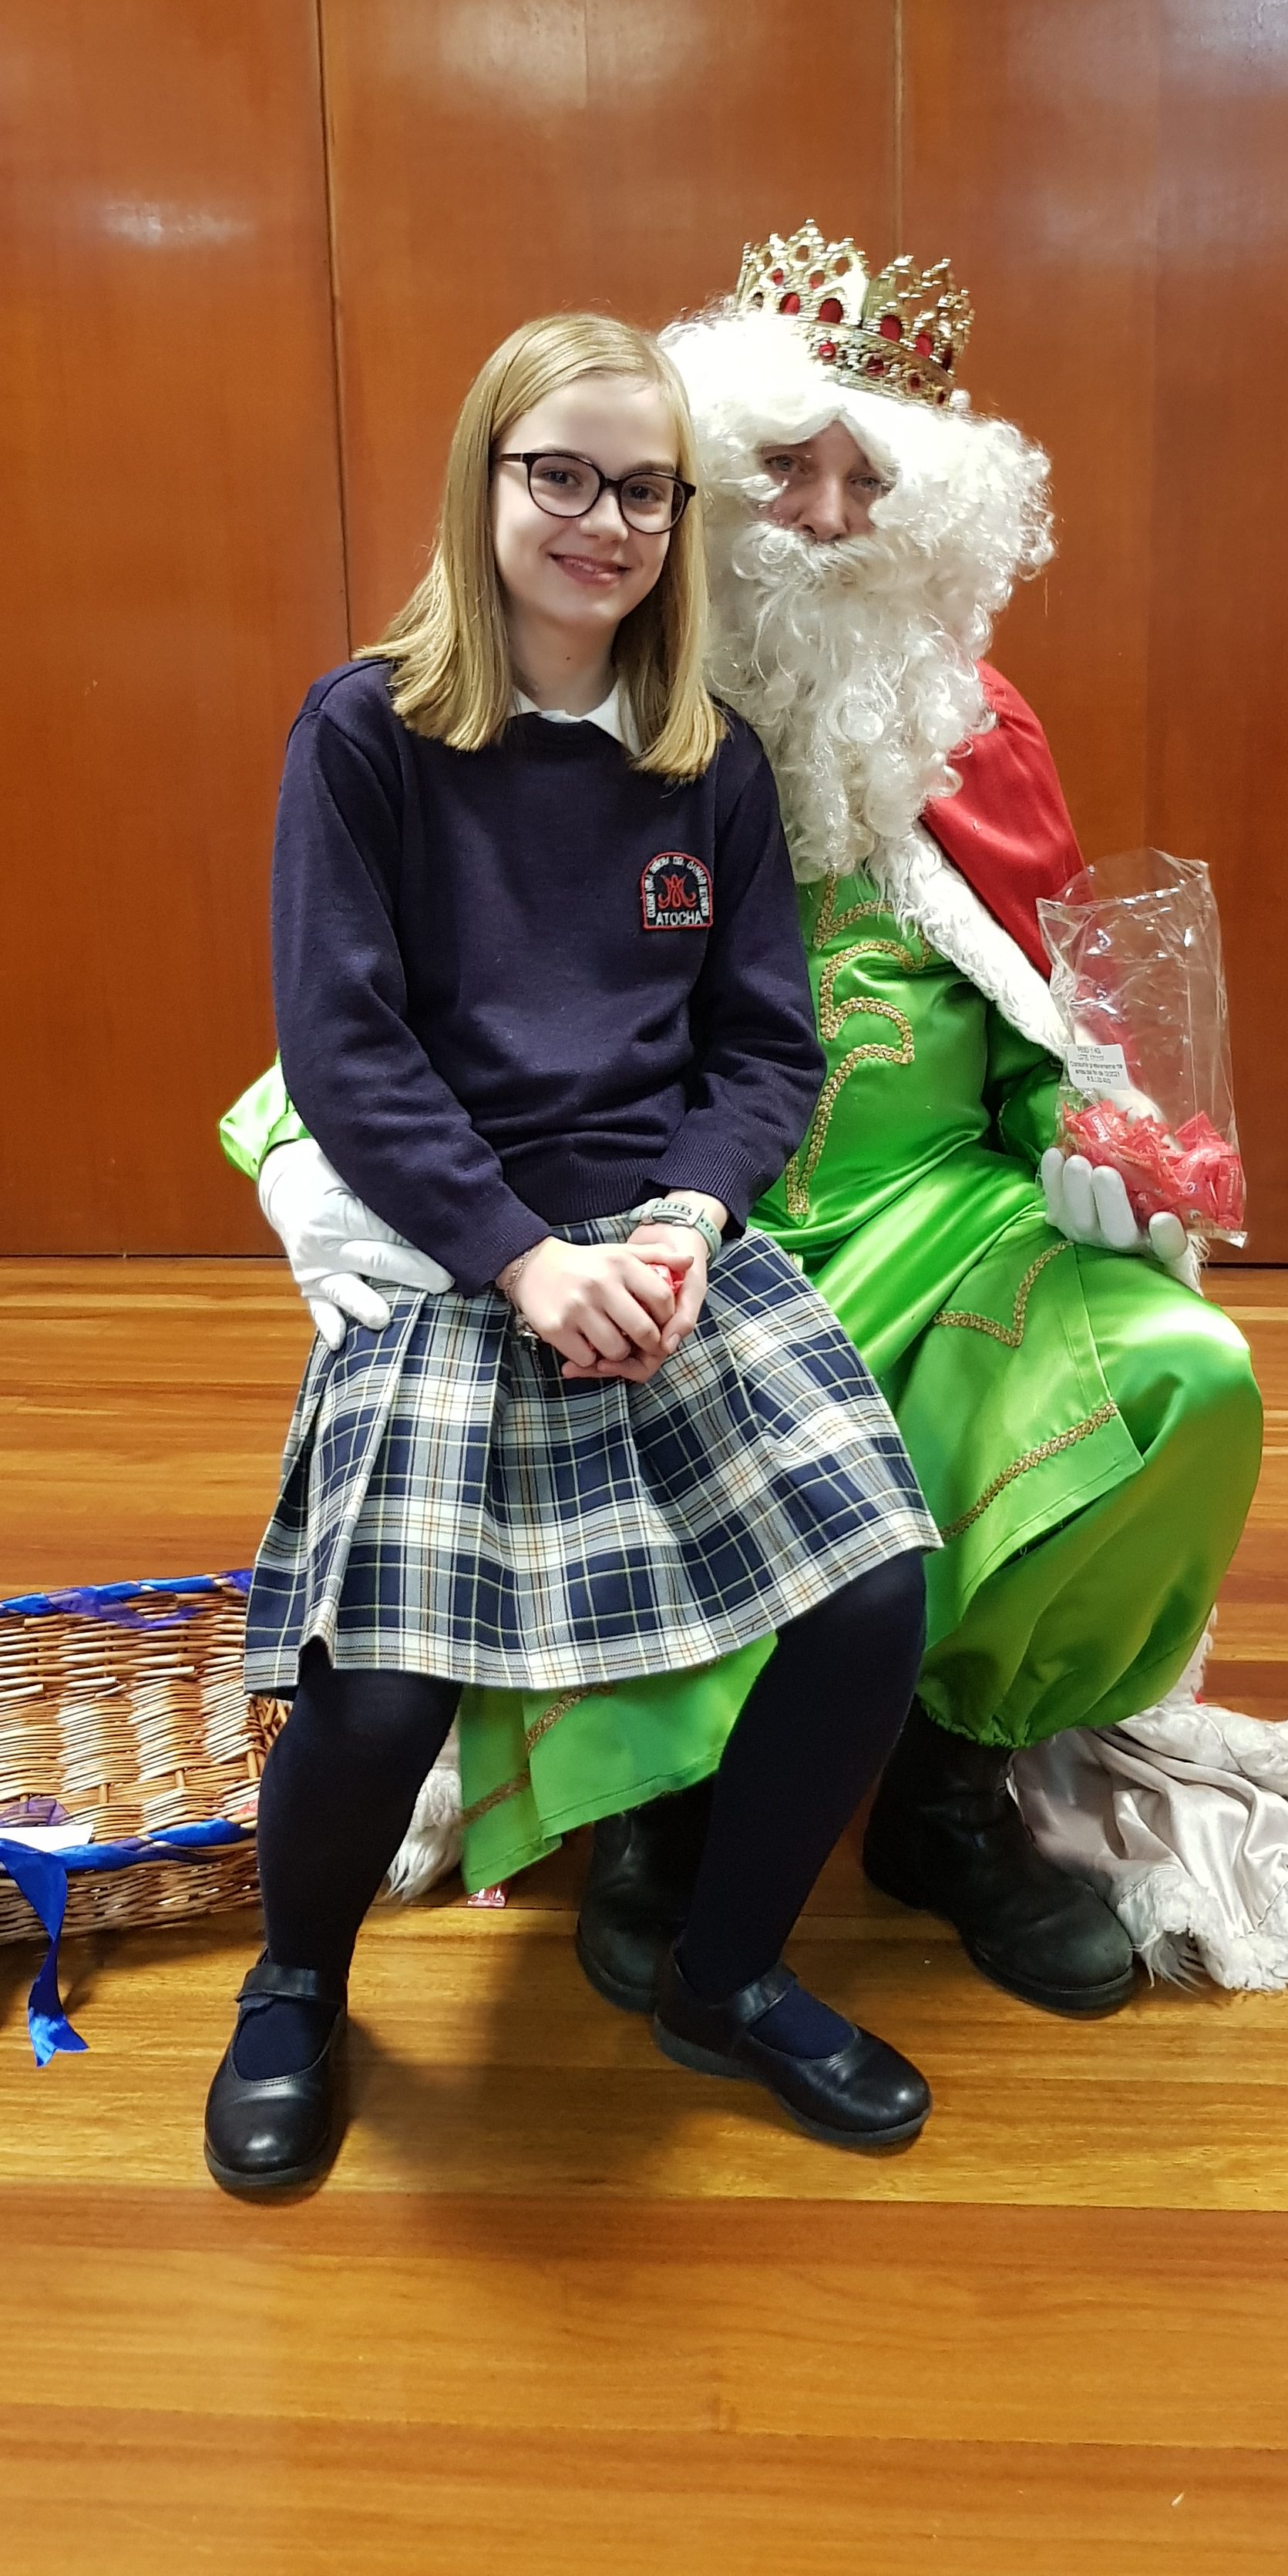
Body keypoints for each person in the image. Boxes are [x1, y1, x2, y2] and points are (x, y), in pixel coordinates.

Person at [229, 230, 1288, 2014]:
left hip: (933, 1218)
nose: (827, 520)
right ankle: (657, 1806)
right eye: (784, 470)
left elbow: (1042, 1014)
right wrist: (322, 1165)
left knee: (1183, 1376)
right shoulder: (542, 712)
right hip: (640, 1221)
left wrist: (1109, 1152)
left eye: (873, 484)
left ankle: (946, 1790)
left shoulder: (964, 734)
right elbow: (373, 1010)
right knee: (600, 1425)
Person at [205, 309, 947, 2199]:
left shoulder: (710, 760)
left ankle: (723, 1976)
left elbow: (762, 1052)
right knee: (380, 1680)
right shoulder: (363, 734)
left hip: (667, 1248)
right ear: (485, 483)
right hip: (456, 1251)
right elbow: (345, 1052)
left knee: (873, 1593)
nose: (603, 522)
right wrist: (521, 1259)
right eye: (562, 476)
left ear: (678, 518)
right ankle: (295, 1985)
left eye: (643, 490)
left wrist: (688, 1220)